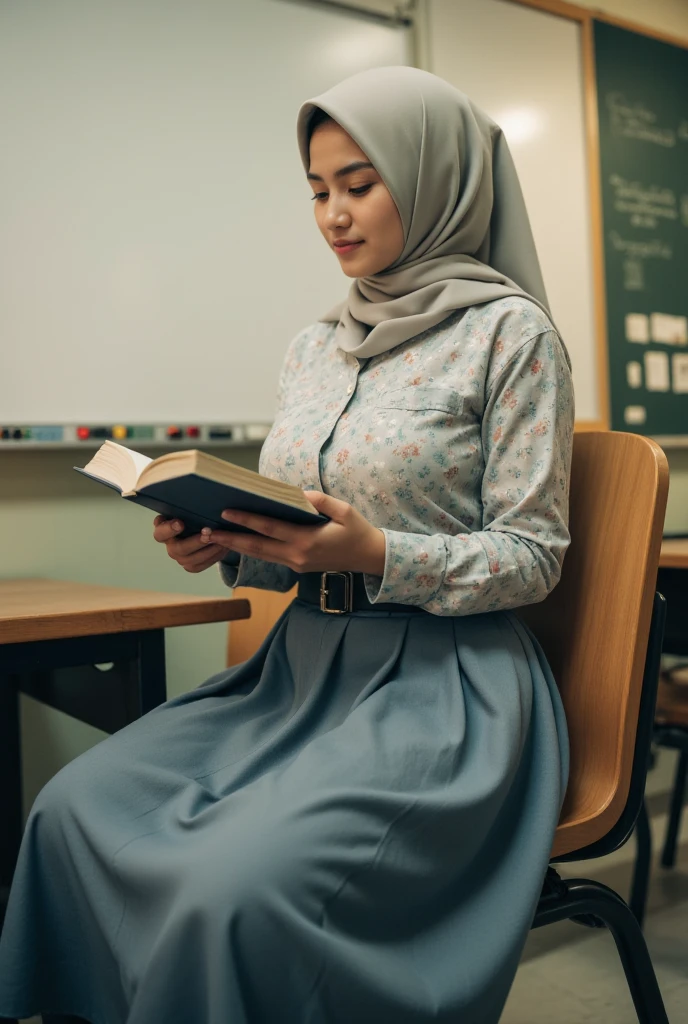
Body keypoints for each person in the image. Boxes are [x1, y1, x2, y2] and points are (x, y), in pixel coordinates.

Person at [0, 66, 574, 1024]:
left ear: (436, 181)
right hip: (300, 670)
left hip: (446, 693)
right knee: (72, 809)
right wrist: (226, 543)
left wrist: (376, 555)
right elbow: (307, 536)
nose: (333, 215)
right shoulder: (316, 345)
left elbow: (533, 554)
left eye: (360, 183)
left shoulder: (510, 336)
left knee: (233, 888)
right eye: (316, 190)